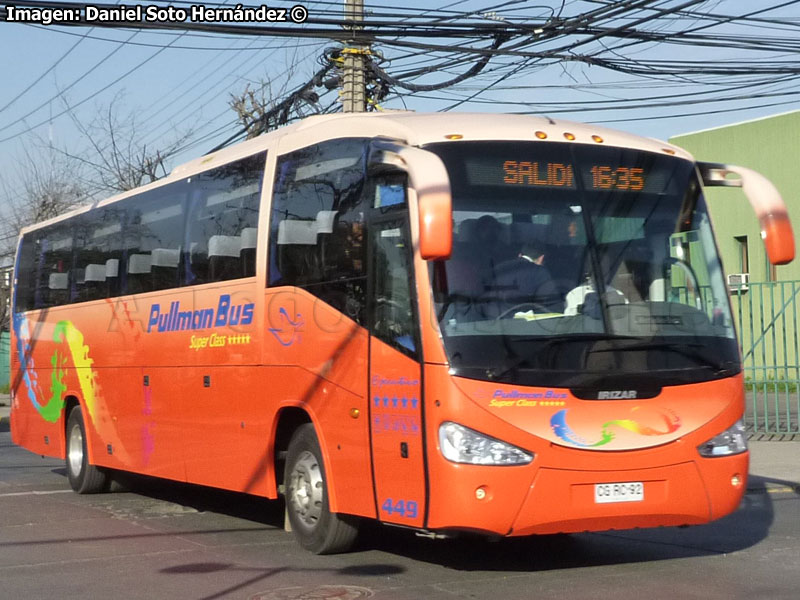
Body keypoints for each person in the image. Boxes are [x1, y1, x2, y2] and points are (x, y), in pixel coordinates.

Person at [493, 242, 564, 314]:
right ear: (541, 258)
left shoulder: (499, 268)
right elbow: (554, 306)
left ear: (520, 255)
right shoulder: (539, 272)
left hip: (495, 320)